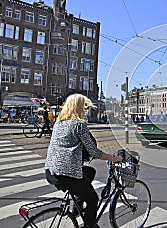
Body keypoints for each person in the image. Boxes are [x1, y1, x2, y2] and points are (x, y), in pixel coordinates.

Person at [45, 93, 123, 228]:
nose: (85, 111)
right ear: (79, 107)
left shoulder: (59, 123)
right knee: (93, 200)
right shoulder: (78, 124)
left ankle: (76, 207)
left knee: (89, 172)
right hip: (67, 174)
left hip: (50, 172)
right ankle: (89, 226)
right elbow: (93, 151)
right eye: (84, 108)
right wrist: (113, 158)